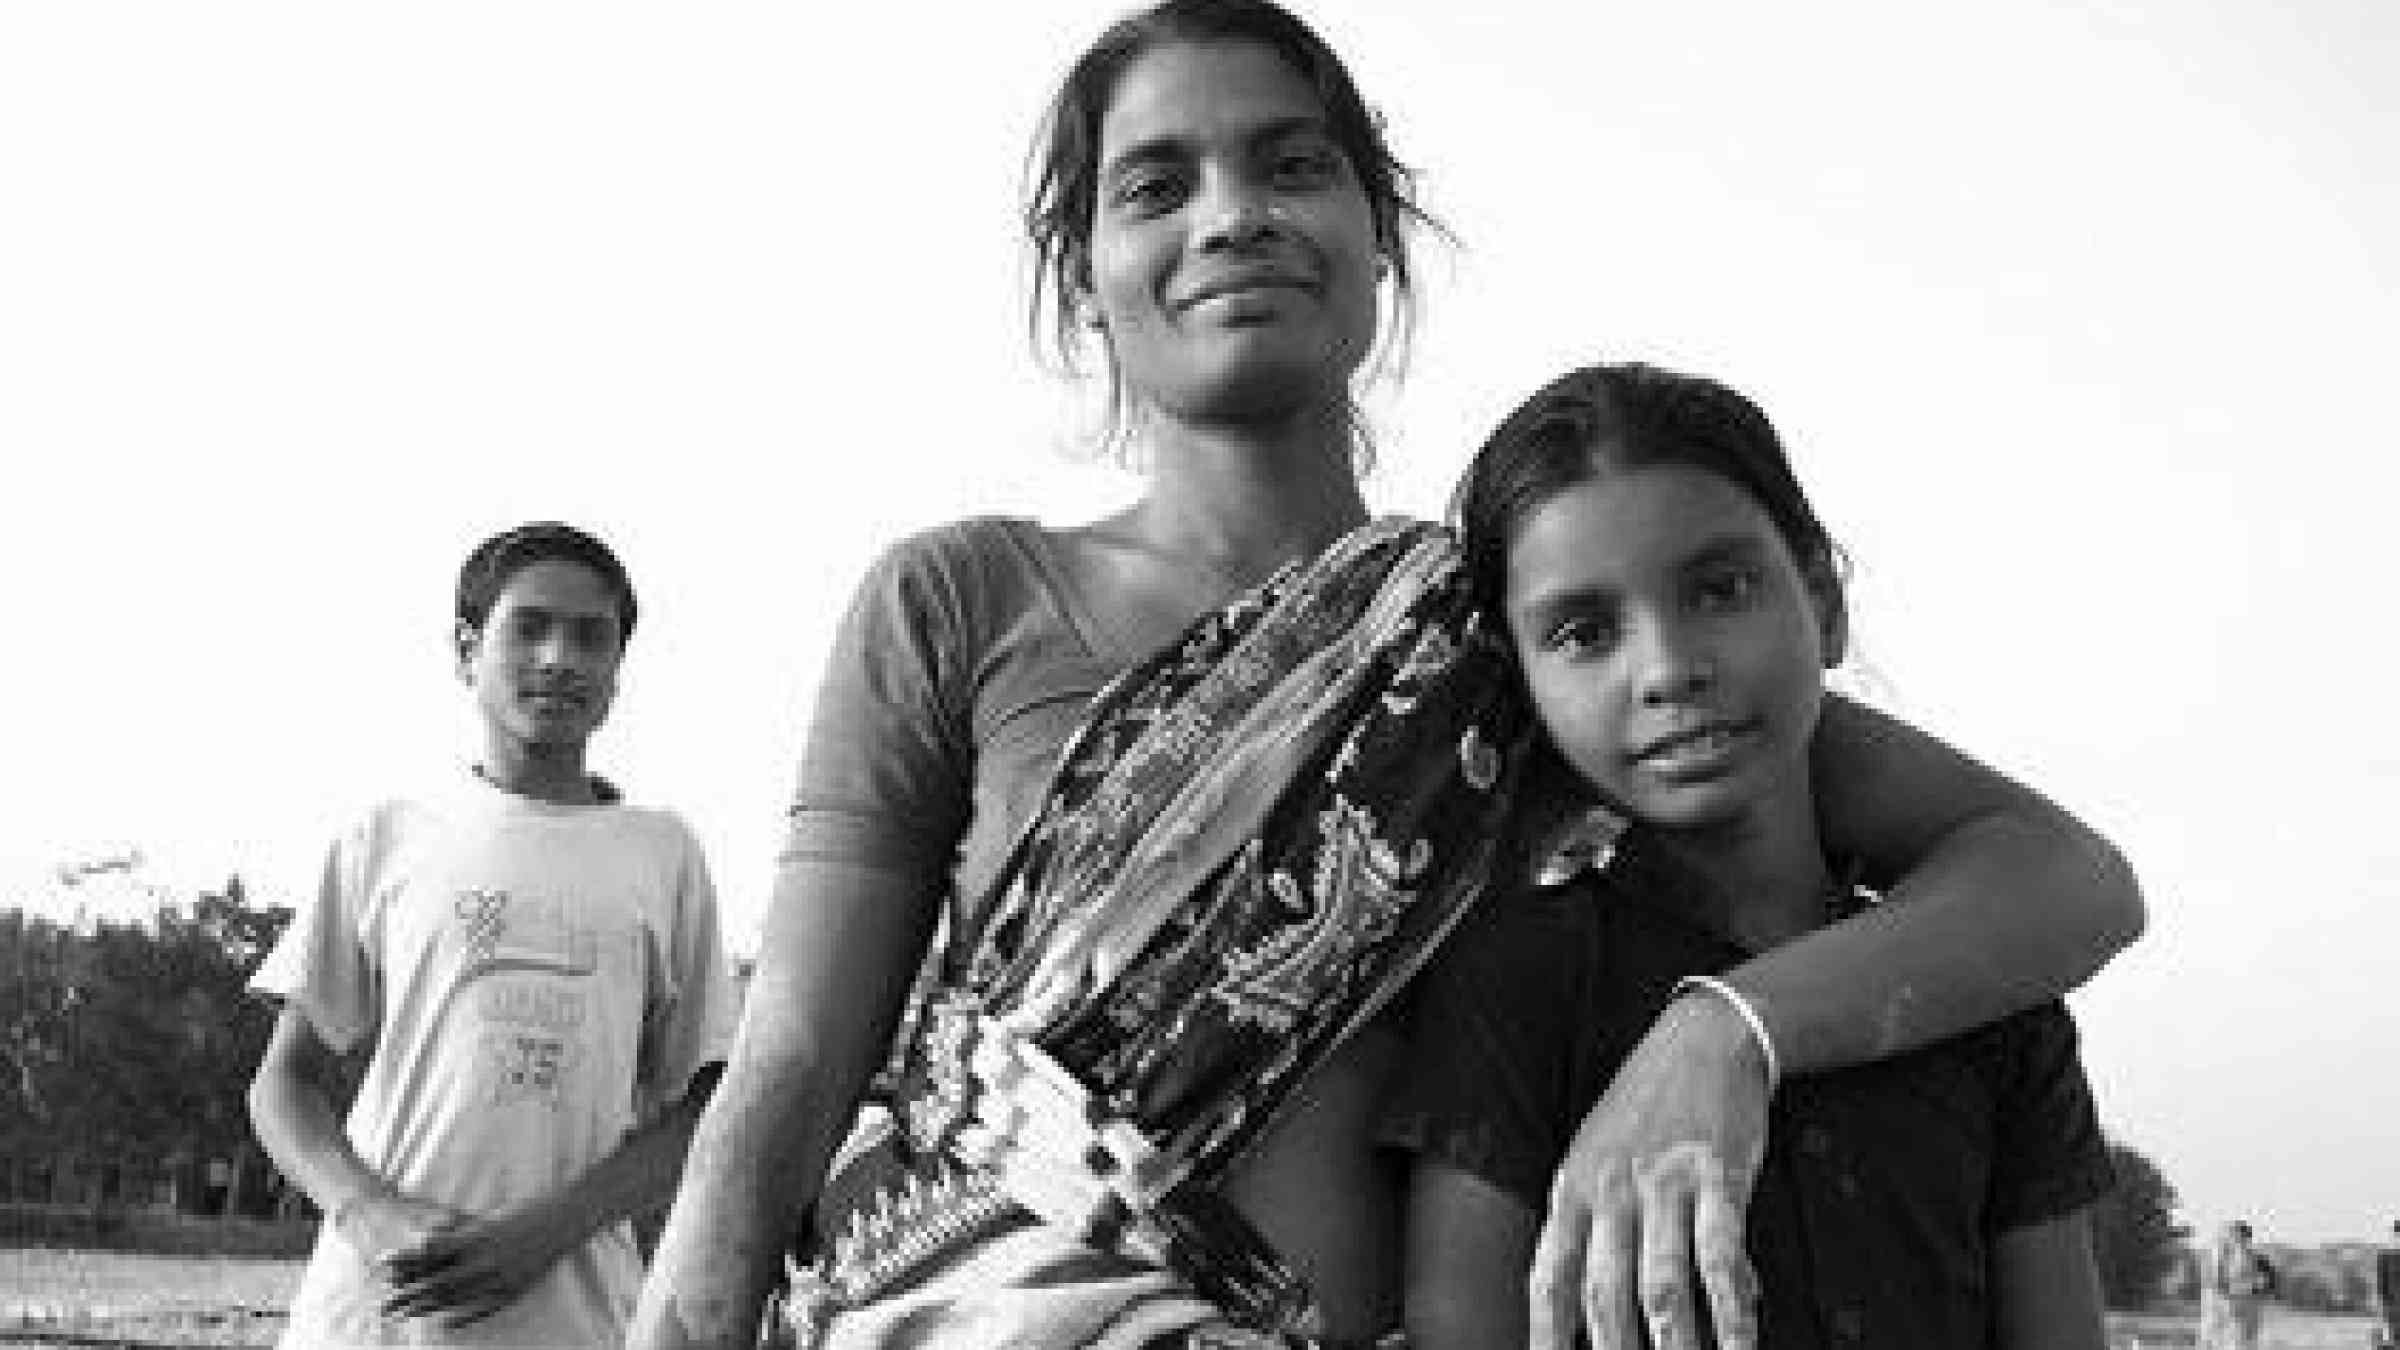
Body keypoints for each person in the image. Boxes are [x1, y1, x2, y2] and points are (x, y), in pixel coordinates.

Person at [628, 3, 2142, 1347]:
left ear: (1376, 234)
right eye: (1157, 186)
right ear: (1086, 274)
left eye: (1293, 167)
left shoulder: (1511, 635)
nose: (1234, 217)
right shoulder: (961, 594)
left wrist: (1722, 1031)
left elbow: (2064, 880)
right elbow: (795, 1059)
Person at [1384, 362, 2115, 1350]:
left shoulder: (1993, 1002)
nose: (1670, 668)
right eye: (1585, 632)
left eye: (1721, 589)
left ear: (1823, 598)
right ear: (1522, 683)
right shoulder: (1519, 975)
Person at [248, 522, 740, 1348]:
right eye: (530, 627)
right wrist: (370, 1213)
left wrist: (548, 1231)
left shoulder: (665, 853)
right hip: (376, 1316)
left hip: (574, 1317)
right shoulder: (388, 837)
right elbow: (281, 1089)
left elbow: (705, 1108)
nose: (560, 657)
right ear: (466, 651)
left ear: (618, 673)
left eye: (593, 638)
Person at [2196, 1220, 2275, 1350]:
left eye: (2238, 1236)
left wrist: (2254, 1289)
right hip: (2223, 1305)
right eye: (2233, 1236)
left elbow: (2267, 1284)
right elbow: (2213, 1282)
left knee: (2242, 1340)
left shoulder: (2258, 1259)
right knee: (2215, 1337)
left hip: (2245, 1306)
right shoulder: (2218, 1256)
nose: (2236, 1240)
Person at [2377, 1219, 2400, 1350]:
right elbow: (2382, 1288)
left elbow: (2382, 1288)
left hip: (2392, 1310)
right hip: (2393, 1310)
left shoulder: (2385, 1256)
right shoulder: (2386, 1257)